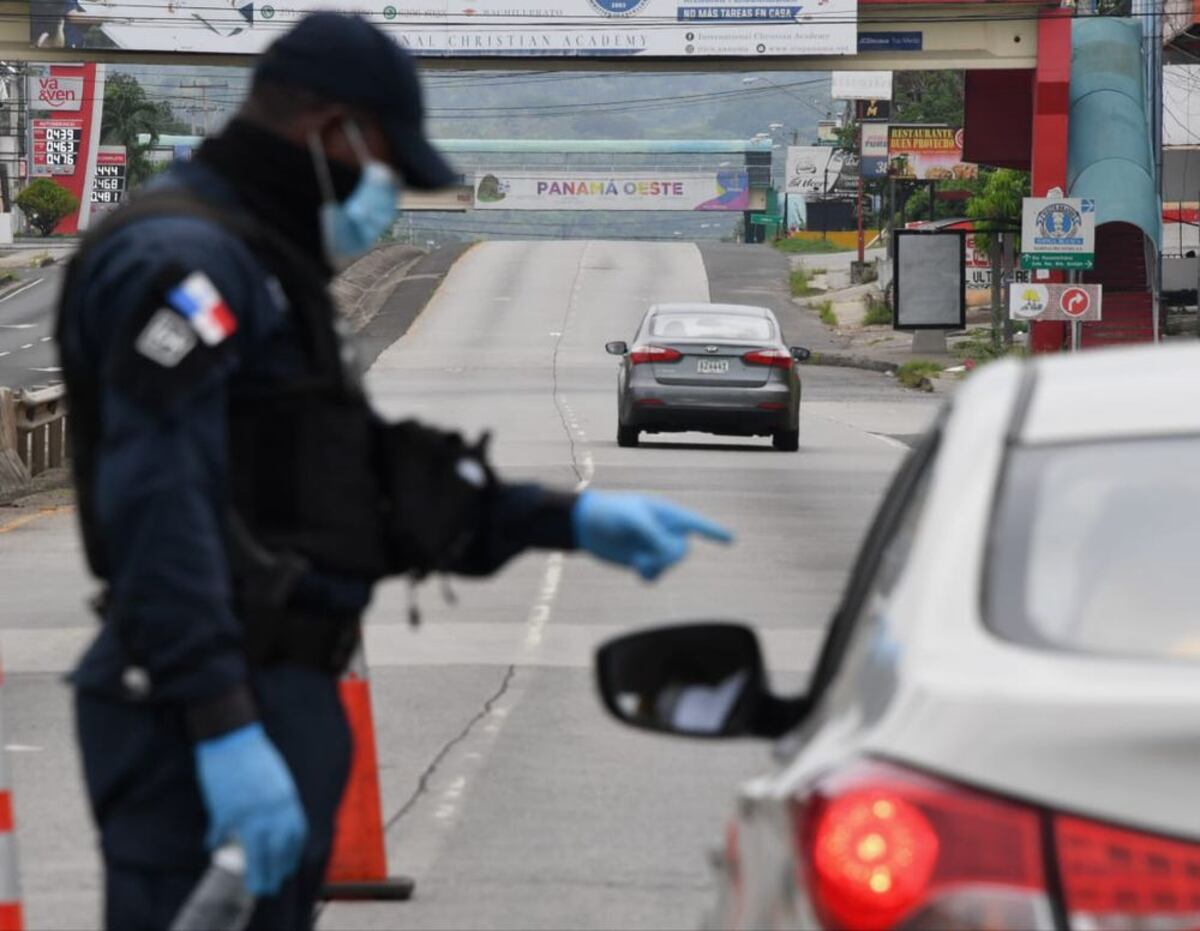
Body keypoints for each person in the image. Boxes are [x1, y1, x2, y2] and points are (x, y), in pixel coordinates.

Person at [56, 14, 732, 931]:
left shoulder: (263, 261)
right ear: (332, 131)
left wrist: (559, 519)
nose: (386, 192)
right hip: (198, 712)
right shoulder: (182, 266)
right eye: (385, 161)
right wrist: (221, 721)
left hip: (275, 689)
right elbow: (156, 505)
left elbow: (350, 478)